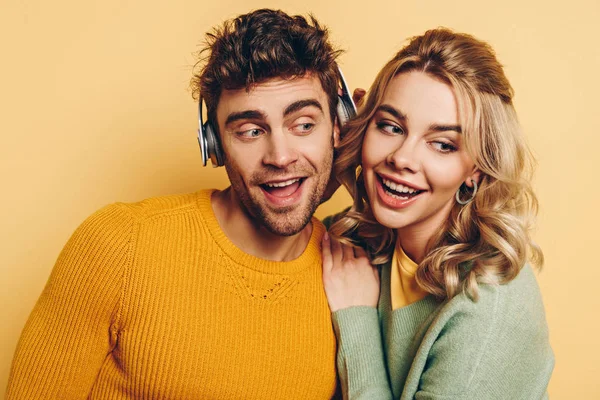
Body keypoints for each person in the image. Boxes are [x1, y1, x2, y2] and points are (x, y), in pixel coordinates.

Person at [6, 9, 353, 399]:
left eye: (304, 124)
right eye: (251, 131)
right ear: (215, 146)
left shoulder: (348, 281)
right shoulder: (120, 244)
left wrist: (364, 169)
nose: (280, 155)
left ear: (339, 126)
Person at [321, 28, 554, 399]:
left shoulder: (492, 307)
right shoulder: (359, 241)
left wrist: (356, 320)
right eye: (390, 126)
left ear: (476, 170)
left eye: (442, 144)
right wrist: (325, 171)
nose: (402, 158)